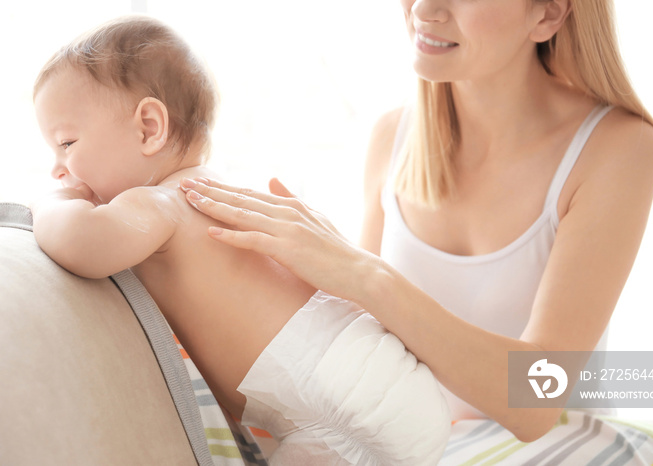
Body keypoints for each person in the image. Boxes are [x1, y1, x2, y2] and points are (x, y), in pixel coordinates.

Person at [177, 0, 653, 448]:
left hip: (557, 446)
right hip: (415, 445)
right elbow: (360, 344)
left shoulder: (616, 148)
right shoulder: (391, 138)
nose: (424, 8)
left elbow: (538, 397)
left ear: (548, 13)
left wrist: (364, 276)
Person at [30, 16, 451, 466]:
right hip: (382, 383)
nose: (58, 168)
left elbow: (82, 244)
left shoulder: (162, 203)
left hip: (341, 406)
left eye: (67, 143)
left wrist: (51, 201)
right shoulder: (212, 190)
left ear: (149, 128)